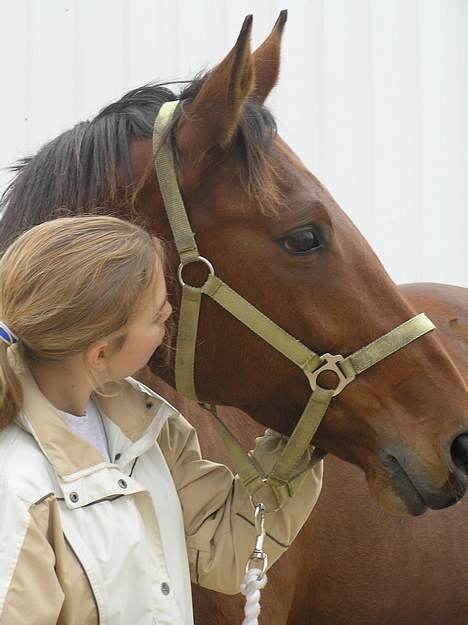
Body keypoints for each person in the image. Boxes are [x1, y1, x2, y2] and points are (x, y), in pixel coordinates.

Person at [0, 216, 323, 625]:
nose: (169, 321)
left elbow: (223, 548)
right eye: (157, 319)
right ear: (99, 354)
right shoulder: (17, 490)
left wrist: (306, 426)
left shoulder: (145, 428)